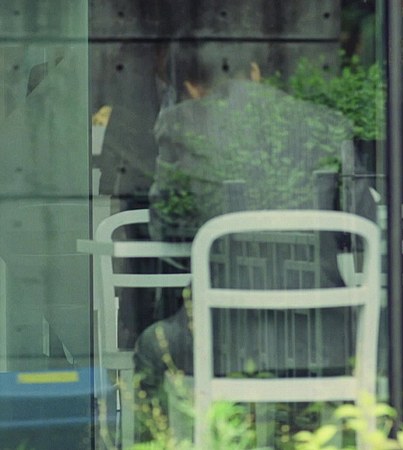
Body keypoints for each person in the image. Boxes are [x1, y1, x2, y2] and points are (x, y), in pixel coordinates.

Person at [132, 50, 370, 439]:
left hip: (226, 339)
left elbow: (167, 228)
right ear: (256, 72)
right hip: (326, 338)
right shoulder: (327, 123)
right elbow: (362, 226)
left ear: (191, 87)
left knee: (151, 345)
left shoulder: (183, 125)